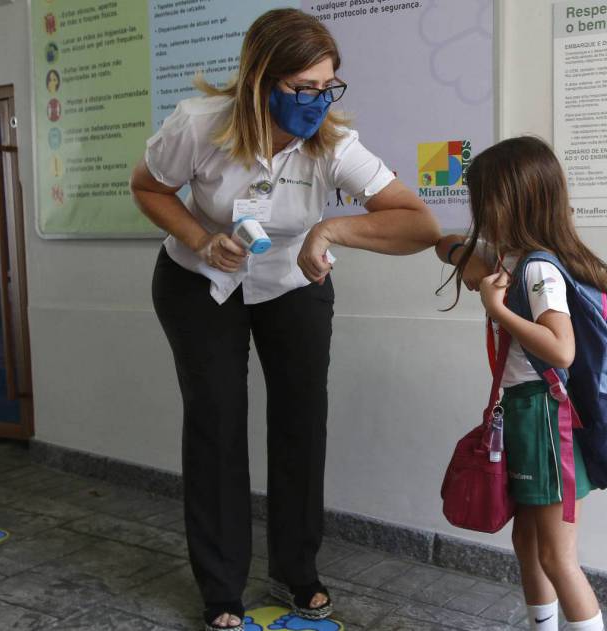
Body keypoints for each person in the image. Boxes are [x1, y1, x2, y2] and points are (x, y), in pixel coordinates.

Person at [129, 9, 440, 631]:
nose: (318, 101)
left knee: (302, 423)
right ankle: (221, 590)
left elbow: (418, 223)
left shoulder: (333, 144)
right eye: (303, 89)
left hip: (292, 284)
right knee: (216, 426)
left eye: (328, 87)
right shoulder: (200, 125)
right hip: (201, 283)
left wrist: (331, 228)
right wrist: (200, 239)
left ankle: (297, 571)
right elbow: (148, 188)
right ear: (259, 80)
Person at [435, 137, 607, 631]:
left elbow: (561, 348)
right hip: (524, 411)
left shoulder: (537, 269)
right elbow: (449, 245)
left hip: (544, 415)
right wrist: (448, 247)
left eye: (482, 200)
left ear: (511, 200)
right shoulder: (515, 258)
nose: (476, 213)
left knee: (557, 557)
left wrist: (495, 309)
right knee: (527, 546)